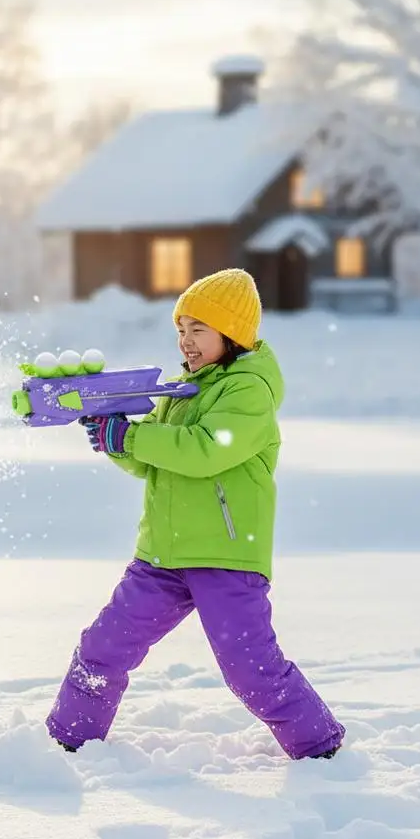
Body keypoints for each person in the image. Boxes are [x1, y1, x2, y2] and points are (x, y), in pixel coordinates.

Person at [46, 268, 345, 760]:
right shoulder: (186, 389)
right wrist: (113, 436)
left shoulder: (248, 392)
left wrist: (133, 436)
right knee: (103, 646)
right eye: (181, 330)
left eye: (198, 330)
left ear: (233, 334)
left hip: (224, 556)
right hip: (162, 556)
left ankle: (320, 749)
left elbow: (206, 450)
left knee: (250, 669)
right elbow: (151, 461)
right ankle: (67, 741)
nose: (186, 341)